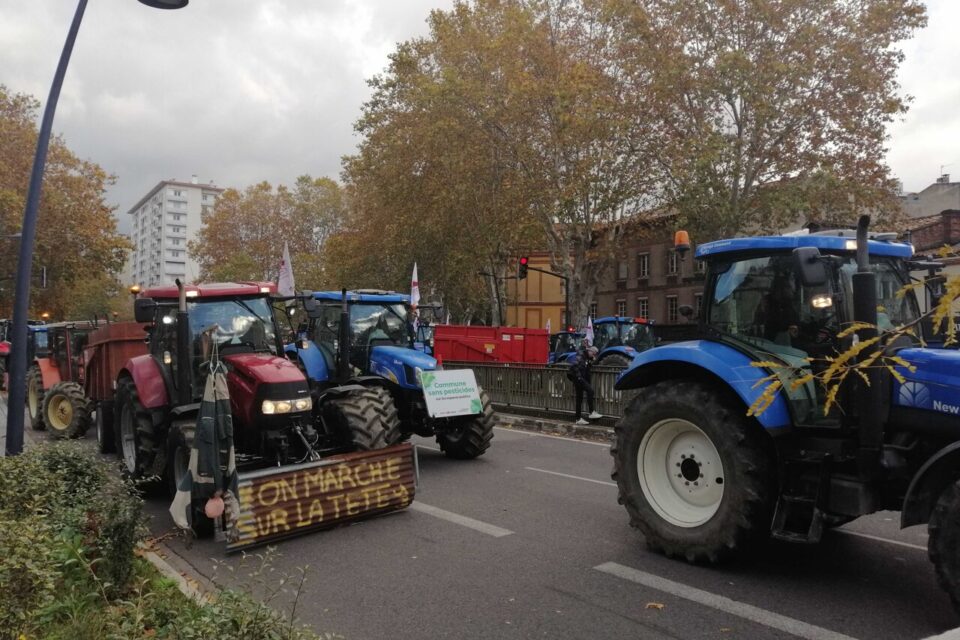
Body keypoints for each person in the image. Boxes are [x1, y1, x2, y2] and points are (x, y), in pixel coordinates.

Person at [568, 342, 602, 425]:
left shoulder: (587, 358)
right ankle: (591, 412)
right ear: (590, 351)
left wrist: (592, 361)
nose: (593, 356)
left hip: (580, 379)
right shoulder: (581, 355)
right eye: (593, 354)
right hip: (579, 379)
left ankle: (578, 418)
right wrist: (579, 377)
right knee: (590, 391)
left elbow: (588, 367)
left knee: (579, 399)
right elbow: (574, 365)